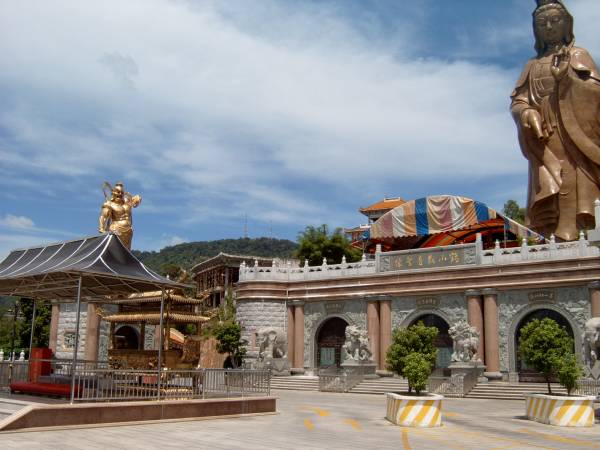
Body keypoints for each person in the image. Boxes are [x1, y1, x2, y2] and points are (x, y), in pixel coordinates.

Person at [511, 0, 600, 241]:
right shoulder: (531, 65)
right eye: (542, 23)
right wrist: (526, 113)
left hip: (571, 128)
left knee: (570, 173)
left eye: (554, 21)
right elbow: (519, 100)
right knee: (550, 177)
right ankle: (552, 232)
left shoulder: (578, 55)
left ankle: (570, 229)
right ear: (536, 29)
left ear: (566, 24)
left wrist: (566, 81)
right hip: (542, 133)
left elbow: (594, 91)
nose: (549, 27)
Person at [98, 181, 141, 249]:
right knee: (116, 249)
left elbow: (135, 201)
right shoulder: (109, 204)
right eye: (118, 192)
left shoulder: (127, 204)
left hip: (129, 231)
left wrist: (137, 198)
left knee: (126, 250)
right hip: (116, 229)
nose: (120, 194)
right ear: (113, 193)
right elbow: (103, 216)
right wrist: (101, 228)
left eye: (121, 192)